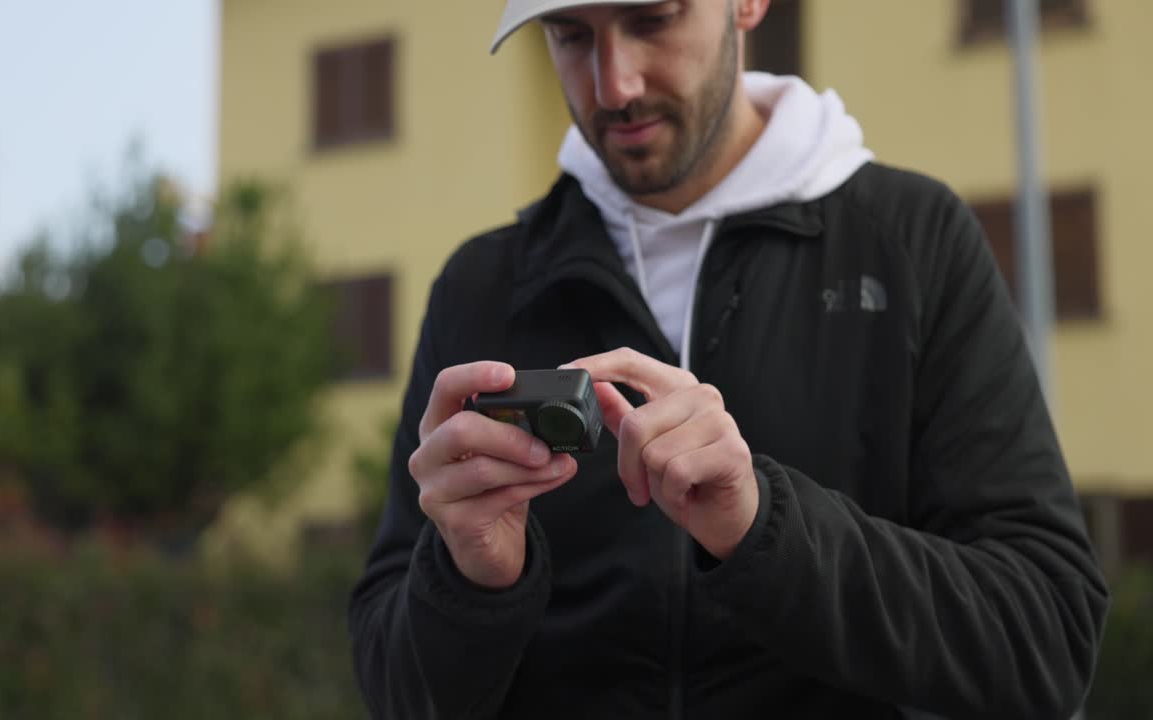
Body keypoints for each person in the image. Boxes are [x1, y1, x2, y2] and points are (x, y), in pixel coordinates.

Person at [348, 0, 1109, 717]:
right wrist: (471, 582)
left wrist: (764, 530)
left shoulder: (911, 243)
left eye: (652, 19)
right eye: (572, 36)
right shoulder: (482, 286)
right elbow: (396, 692)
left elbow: (1047, 639)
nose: (615, 86)